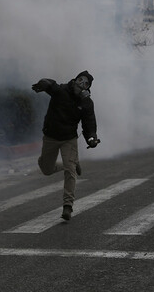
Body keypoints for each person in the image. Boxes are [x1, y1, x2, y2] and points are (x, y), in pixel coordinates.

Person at [32, 71, 99, 221]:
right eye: (80, 80)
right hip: (51, 136)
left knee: (70, 171)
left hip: (69, 138)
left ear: (87, 88)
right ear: (75, 80)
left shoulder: (86, 102)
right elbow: (51, 85)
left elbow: (89, 122)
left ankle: (67, 206)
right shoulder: (62, 90)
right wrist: (43, 83)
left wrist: (92, 138)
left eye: (85, 84)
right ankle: (72, 164)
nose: (81, 84)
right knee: (46, 169)